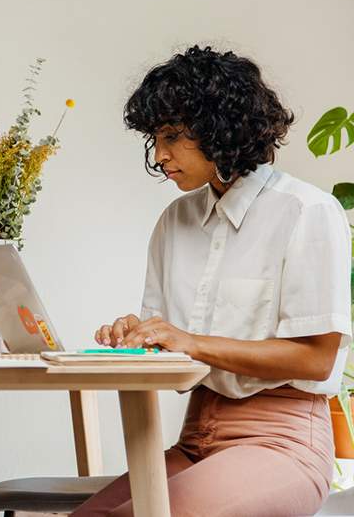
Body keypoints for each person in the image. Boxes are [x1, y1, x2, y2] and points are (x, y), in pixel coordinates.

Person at [72, 45, 350, 516]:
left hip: (280, 441)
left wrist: (192, 341)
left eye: (172, 136)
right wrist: (137, 338)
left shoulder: (307, 211)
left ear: (220, 128)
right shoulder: (174, 222)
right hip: (195, 438)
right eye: (155, 138)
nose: (159, 155)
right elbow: (170, 346)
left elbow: (317, 358)